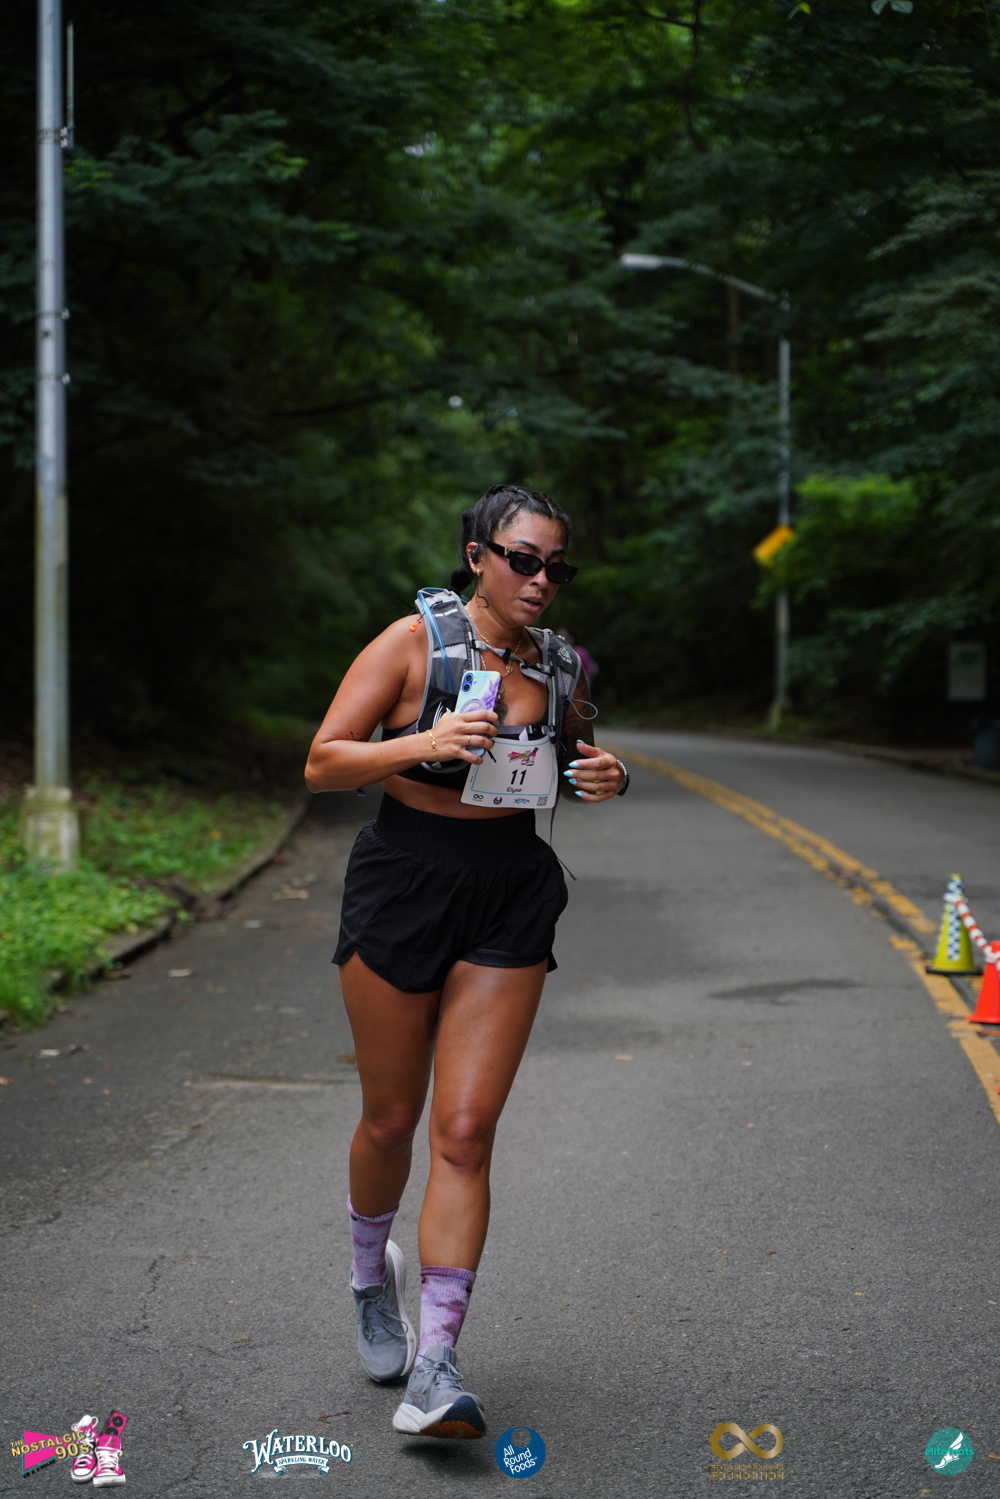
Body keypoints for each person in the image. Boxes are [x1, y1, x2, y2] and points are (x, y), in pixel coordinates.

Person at [304, 483, 629, 1440]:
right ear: (479, 554)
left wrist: (609, 772)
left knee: (465, 1131)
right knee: (391, 1118)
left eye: (556, 566)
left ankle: (437, 1366)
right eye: (523, 559)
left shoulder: (559, 665)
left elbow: (576, 755)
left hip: (510, 888)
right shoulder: (412, 644)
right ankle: (371, 1278)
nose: (541, 579)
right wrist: (425, 740)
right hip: (404, 881)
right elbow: (323, 761)